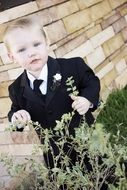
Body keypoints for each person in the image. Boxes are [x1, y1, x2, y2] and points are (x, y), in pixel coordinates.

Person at [3, 18, 100, 170]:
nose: (32, 53)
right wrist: (16, 116)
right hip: (56, 156)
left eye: (36, 44)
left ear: (47, 42)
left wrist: (87, 99)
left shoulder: (72, 66)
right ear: (11, 57)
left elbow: (92, 82)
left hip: (88, 144)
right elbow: (15, 109)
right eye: (22, 50)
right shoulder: (15, 89)